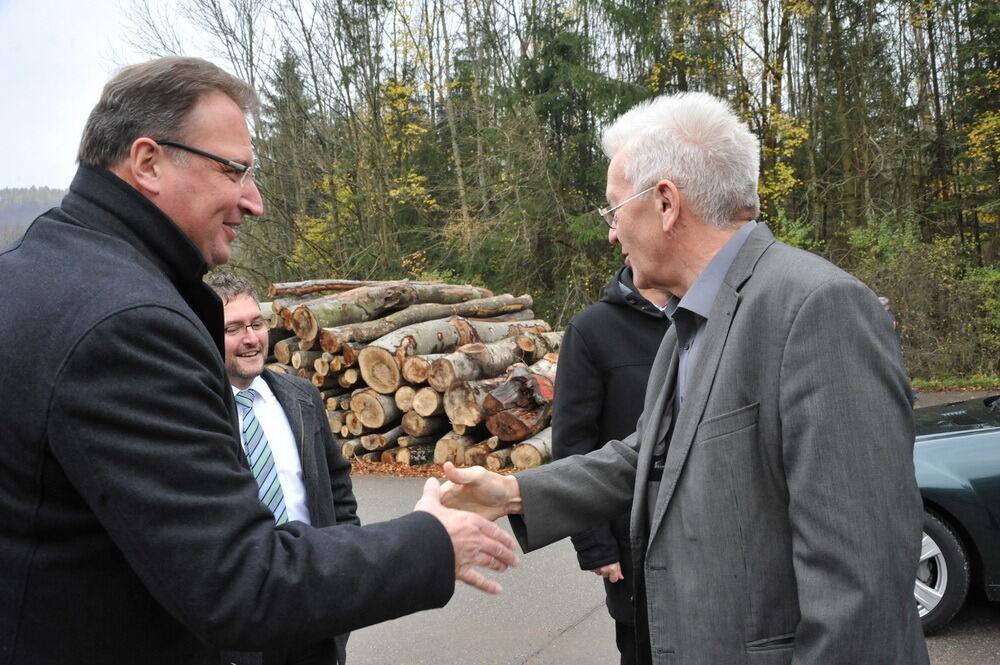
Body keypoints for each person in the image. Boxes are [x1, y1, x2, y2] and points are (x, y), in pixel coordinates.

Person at [0, 56, 517, 665]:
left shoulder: (32, 272)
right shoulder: (128, 323)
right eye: (236, 171)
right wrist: (430, 542)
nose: (255, 201)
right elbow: (240, 583)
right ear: (148, 162)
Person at [440, 91, 929, 665]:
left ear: (666, 203)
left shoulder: (815, 308)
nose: (612, 234)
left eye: (614, 209)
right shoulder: (686, 323)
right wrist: (514, 492)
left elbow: (862, 580)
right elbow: (646, 455)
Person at [208, 273, 361, 665]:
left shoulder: (301, 396)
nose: (251, 338)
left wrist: (343, 562)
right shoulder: (195, 414)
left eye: (256, 324)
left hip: (315, 601)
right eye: (232, 328)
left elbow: (337, 487)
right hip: (242, 613)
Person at [551, 265, 669, 665]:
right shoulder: (592, 329)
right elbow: (573, 445)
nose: (614, 236)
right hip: (633, 542)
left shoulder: (712, 316)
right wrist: (595, 544)